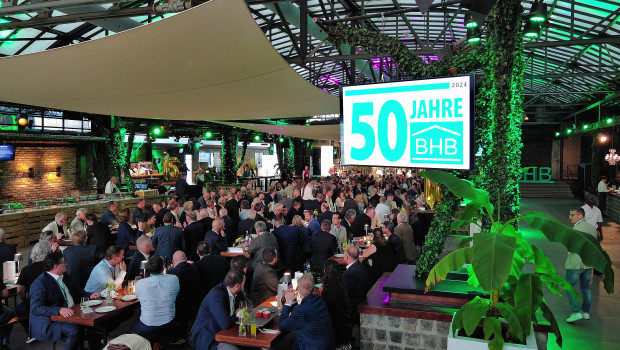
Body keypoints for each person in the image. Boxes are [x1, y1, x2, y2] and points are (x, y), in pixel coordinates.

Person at [30, 251, 100, 350]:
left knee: (95, 325)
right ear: (56, 267)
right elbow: (35, 308)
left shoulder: (64, 275)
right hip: (50, 321)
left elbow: (75, 289)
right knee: (75, 330)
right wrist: (59, 310)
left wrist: (89, 295)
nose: (66, 264)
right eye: (64, 262)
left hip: (72, 313)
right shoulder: (40, 283)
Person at [189, 269, 246, 350]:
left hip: (225, 332)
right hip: (209, 335)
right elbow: (225, 323)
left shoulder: (235, 290)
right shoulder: (217, 295)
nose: (244, 285)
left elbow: (247, 304)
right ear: (237, 286)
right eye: (244, 283)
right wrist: (238, 314)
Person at [279, 273, 335, 350]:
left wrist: (288, 302)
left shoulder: (301, 310)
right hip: (326, 345)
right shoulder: (319, 299)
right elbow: (303, 314)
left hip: (312, 346)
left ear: (297, 288)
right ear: (313, 288)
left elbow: (282, 326)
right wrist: (294, 302)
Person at [565, 207, 598, 323]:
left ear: (580, 216)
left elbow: (571, 248)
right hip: (588, 264)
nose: (570, 217)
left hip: (575, 263)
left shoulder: (576, 229)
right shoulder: (592, 229)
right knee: (586, 288)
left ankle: (576, 311)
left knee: (568, 285)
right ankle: (586, 312)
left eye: (572, 215)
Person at [133, 255, 180, 336]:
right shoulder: (174, 279)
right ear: (163, 267)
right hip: (169, 321)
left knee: (130, 337)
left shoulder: (139, 284)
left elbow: (139, 298)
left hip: (147, 324)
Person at [16, 241, 50, 340]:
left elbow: (19, 290)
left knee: (20, 308)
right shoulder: (51, 267)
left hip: (34, 302)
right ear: (47, 254)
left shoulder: (26, 270)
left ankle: (30, 332)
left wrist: (24, 299)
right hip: (50, 301)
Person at [320, 259, 352, 348]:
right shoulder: (341, 285)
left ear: (325, 271)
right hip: (346, 329)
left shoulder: (328, 292)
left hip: (336, 334)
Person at [342, 246, 368, 323]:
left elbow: (345, 293)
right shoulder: (362, 267)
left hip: (353, 306)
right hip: (362, 299)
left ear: (346, 257)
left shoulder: (349, 273)